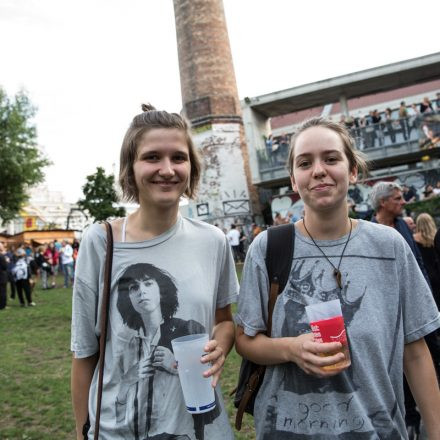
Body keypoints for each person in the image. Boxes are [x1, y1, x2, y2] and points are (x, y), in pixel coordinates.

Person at [235, 117, 440, 439]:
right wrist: (291, 348)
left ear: (353, 170)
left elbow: (414, 350)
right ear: (293, 179)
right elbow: (246, 340)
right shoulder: (268, 247)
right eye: (305, 163)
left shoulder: (389, 247)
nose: (318, 170)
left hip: (377, 429)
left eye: (331, 159)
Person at [71, 104, 237, 440]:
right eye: (152, 157)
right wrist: (81, 432)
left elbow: (225, 321)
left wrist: (220, 344)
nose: (167, 169)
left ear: (191, 165)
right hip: (118, 430)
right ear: (130, 169)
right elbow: (84, 353)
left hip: (198, 427)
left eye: (178, 157)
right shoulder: (100, 242)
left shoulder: (212, 241)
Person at [0, 242, 8, 310]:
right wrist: (6, 261)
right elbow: (4, 267)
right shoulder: (1, 256)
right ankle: (3, 305)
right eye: (2, 246)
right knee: (3, 291)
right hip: (2, 276)